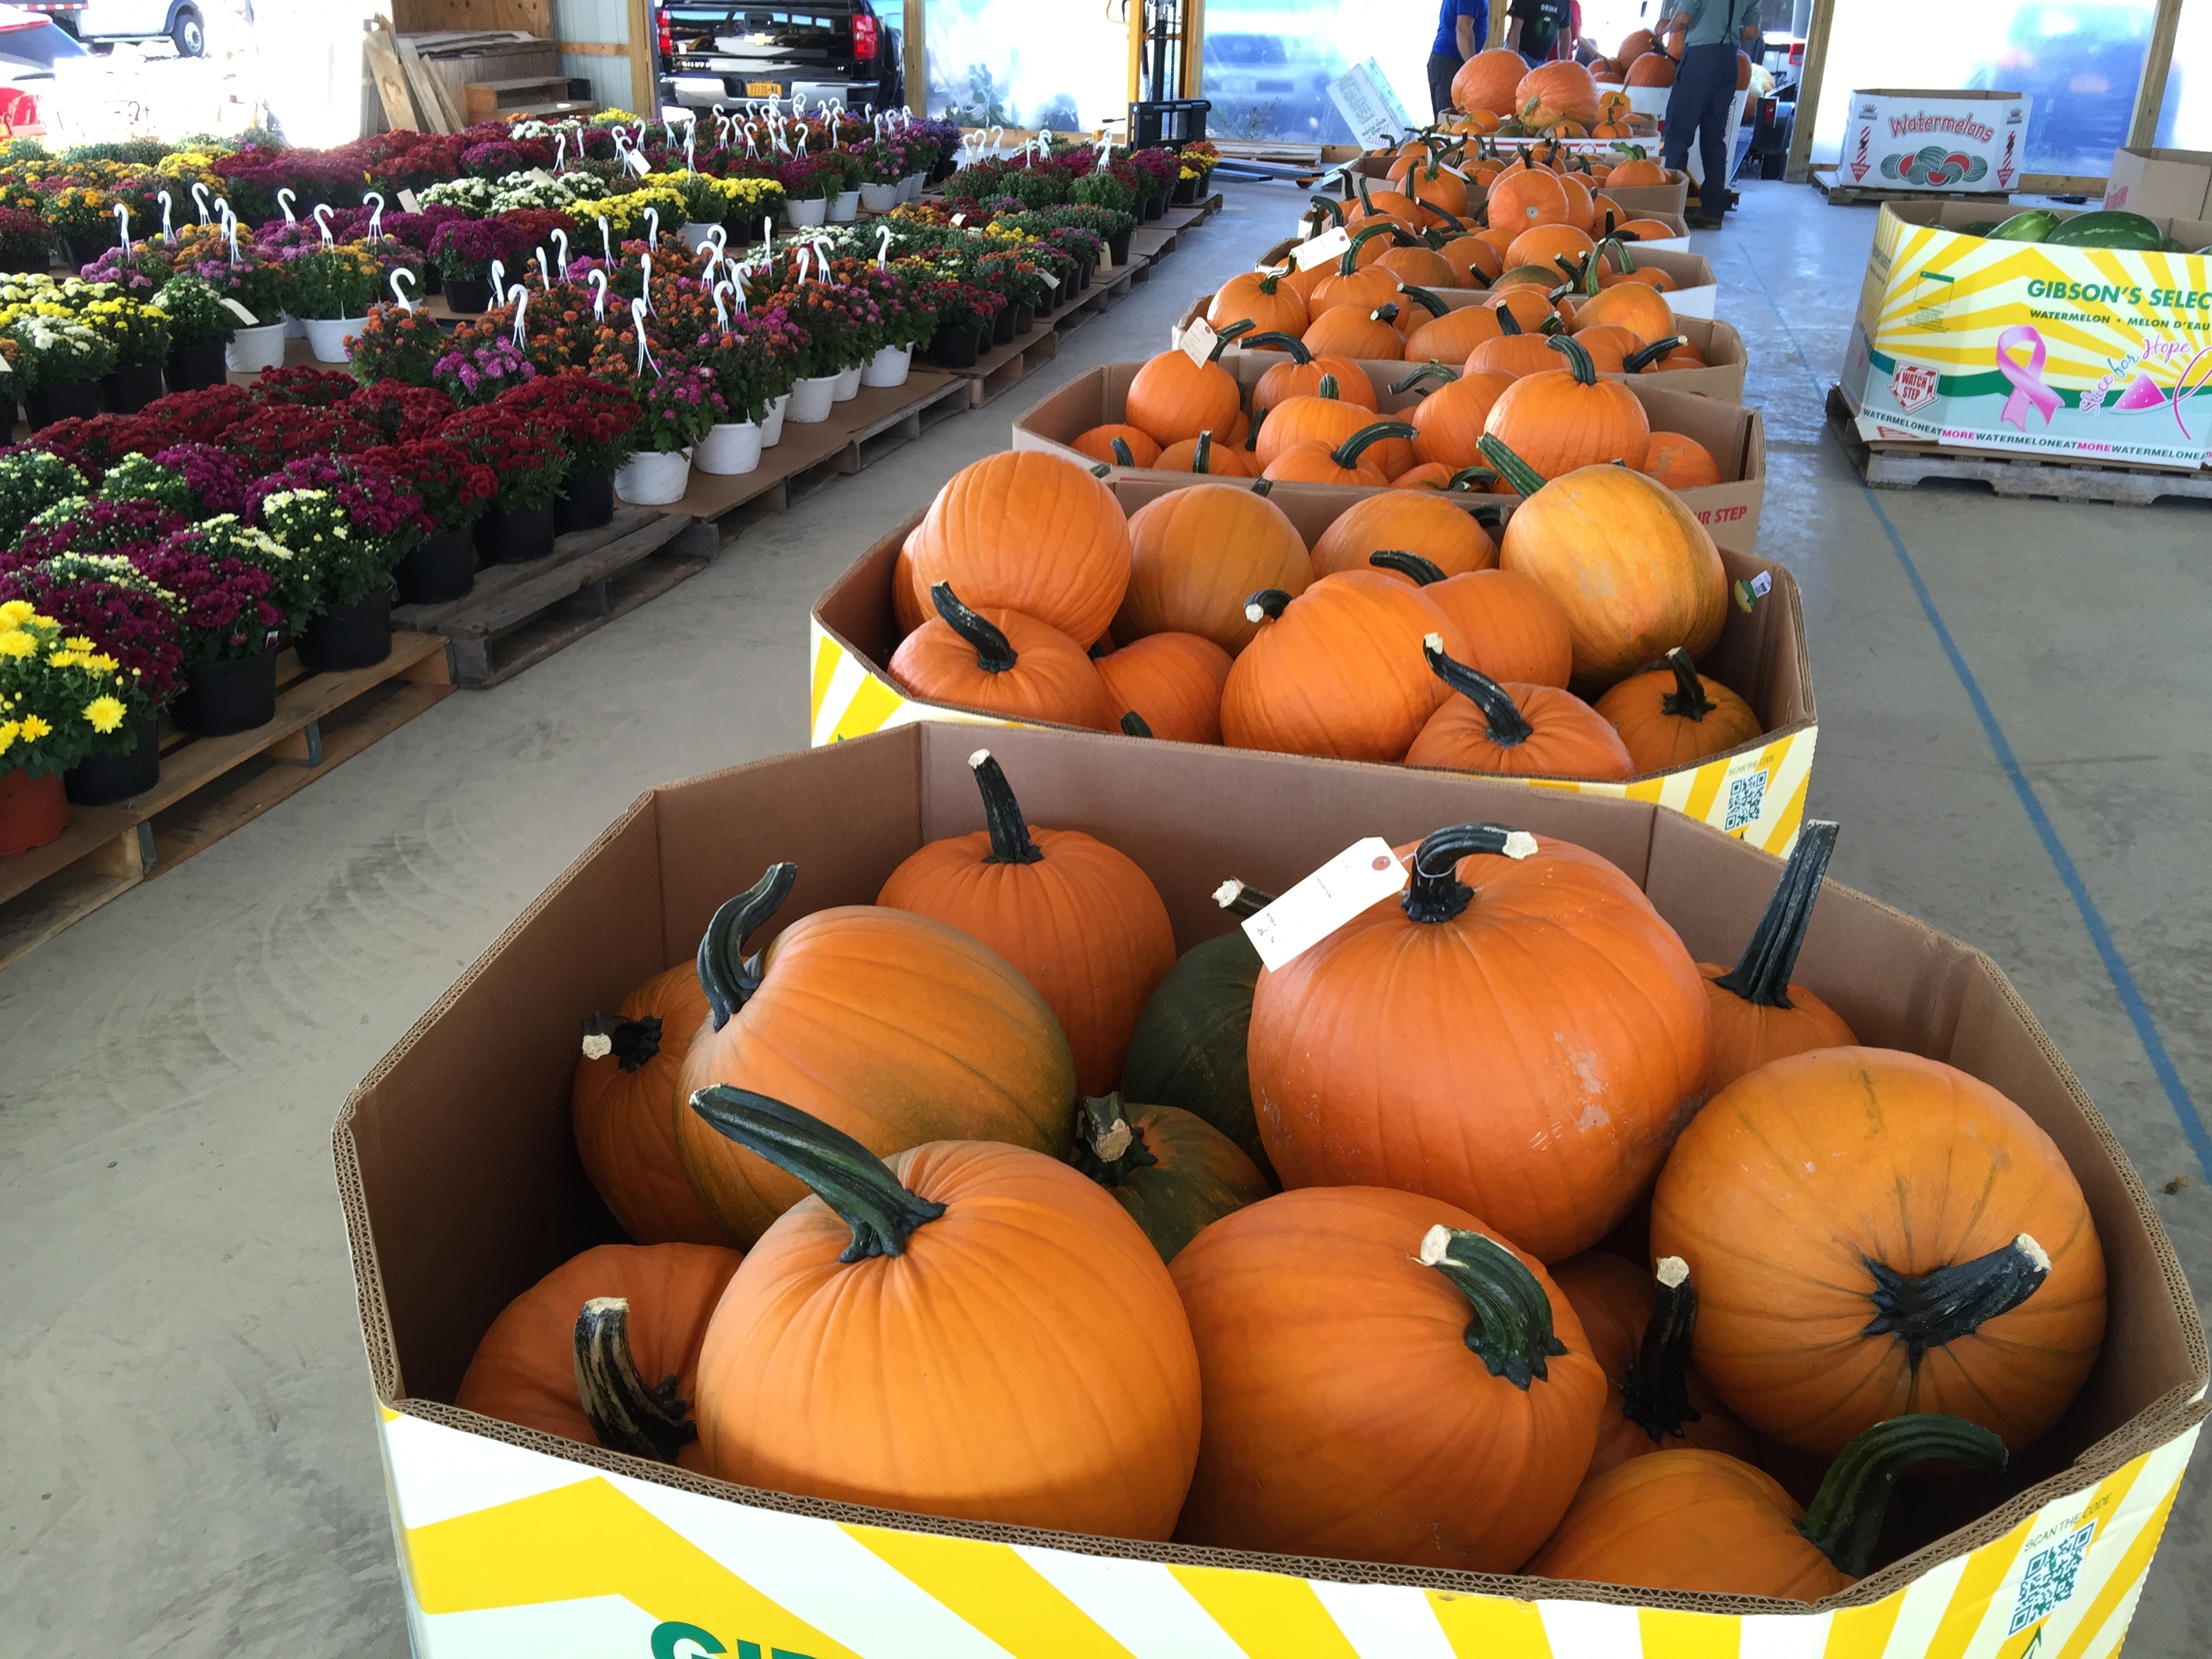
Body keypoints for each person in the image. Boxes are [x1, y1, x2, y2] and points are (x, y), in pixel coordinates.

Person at [1663, 0, 1761, 228]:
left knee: (1678, 133)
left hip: (1699, 58)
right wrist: (1727, 29)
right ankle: (1713, 210)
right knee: (1714, 137)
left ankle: (1671, 210)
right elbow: (1750, 32)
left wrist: (1665, 29)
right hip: (1729, 61)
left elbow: (1684, 18)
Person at [1427, 0, 1490, 119]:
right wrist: (1473, 68)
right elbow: (1463, 30)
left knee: (1446, 123)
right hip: (1451, 63)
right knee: (1450, 124)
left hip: (1445, 62)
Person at [1506, 0, 1574, 65]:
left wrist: (1562, 64)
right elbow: (1515, 31)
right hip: (1522, 54)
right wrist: (1515, 61)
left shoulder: (1565, 2)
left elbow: (1565, 36)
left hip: (1543, 60)